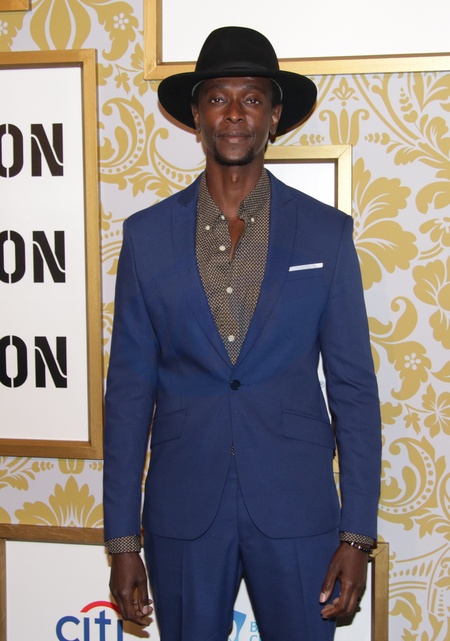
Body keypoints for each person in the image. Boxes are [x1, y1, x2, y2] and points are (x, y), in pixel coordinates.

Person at [103, 25, 382, 641]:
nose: (234, 113)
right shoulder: (147, 237)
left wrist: (358, 535)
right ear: (196, 116)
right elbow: (127, 395)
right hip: (183, 510)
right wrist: (122, 540)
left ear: (274, 116)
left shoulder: (326, 234)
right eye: (218, 98)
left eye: (252, 98)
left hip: (298, 507)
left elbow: (354, 390)